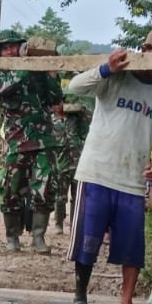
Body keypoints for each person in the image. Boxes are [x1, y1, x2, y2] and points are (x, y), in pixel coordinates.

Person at [64, 27, 152, 304]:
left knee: (132, 246)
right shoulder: (115, 77)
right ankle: (80, 296)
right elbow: (75, 86)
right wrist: (105, 69)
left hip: (132, 180)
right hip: (96, 172)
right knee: (87, 240)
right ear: (145, 51)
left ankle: (126, 302)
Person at [0, 30, 63, 253]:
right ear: (0, 54)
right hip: (17, 141)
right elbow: (4, 89)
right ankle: (12, 237)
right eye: (5, 48)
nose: (10, 51)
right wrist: (28, 64)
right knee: (11, 188)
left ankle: (38, 237)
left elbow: (55, 97)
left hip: (43, 140)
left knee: (45, 187)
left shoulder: (37, 71)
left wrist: (49, 73)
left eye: (14, 46)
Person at [51, 98, 91, 234]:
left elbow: (87, 117)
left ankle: (75, 224)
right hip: (60, 163)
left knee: (77, 196)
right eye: (56, 103)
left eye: (61, 103)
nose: (59, 105)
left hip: (77, 163)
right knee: (60, 197)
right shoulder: (51, 121)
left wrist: (77, 109)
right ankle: (58, 223)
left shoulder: (75, 118)